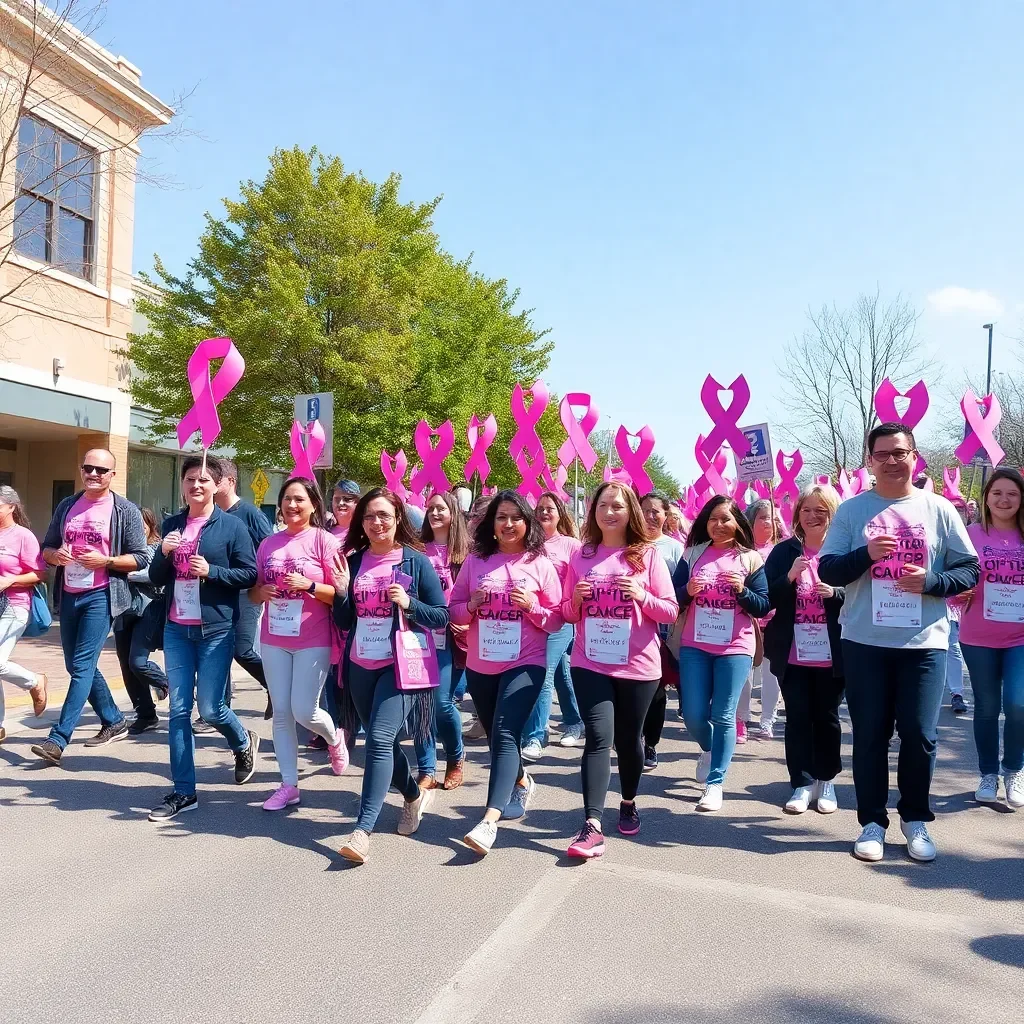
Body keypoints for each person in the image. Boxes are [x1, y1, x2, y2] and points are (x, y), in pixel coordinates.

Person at [819, 422, 979, 863]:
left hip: (924, 642)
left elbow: (968, 571)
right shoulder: (853, 512)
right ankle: (871, 822)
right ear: (869, 461)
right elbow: (828, 571)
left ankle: (915, 819)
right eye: (883, 454)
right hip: (865, 641)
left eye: (900, 452)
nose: (892, 461)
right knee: (870, 734)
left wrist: (930, 581)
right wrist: (864, 555)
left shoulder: (939, 509)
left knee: (920, 735)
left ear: (915, 456)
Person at [562, 482, 678, 858]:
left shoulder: (646, 556)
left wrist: (642, 595)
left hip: (638, 666)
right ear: (593, 511)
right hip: (589, 662)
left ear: (631, 512)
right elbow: (566, 612)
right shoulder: (582, 556)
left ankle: (628, 801)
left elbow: (671, 611)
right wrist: (575, 600)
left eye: (617, 505)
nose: (610, 512)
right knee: (598, 737)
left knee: (629, 742)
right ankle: (592, 824)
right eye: (603, 505)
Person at [333, 488, 448, 864]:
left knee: (379, 740)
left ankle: (362, 830)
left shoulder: (416, 562)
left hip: (400, 664)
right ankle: (413, 795)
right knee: (382, 743)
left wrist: (410, 604)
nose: (376, 522)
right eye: (369, 517)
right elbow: (346, 621)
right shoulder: (353, 562)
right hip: (360, 663)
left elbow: (441, 615)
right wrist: (339, 594)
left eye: (384, 515)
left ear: (398, 517)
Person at [146, 456, 260, 821]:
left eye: (204, 480)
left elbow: (249, 573)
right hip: (177, 628)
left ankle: (242, 741)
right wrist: (164, 554)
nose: (196, 485)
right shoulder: (173, 524)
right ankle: (184, 792)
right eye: (190, 479)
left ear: (217, 485)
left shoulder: (231, 526)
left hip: (215, 629)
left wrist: (213, 571)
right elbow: (156, 576)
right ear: (183, 484)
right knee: (179, 711)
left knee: (211, 709)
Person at [450, 490, 563, 855]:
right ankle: (521, 780)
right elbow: (454, 611)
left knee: (503, 732)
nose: (509, 523)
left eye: (516, 517)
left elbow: (557, 620)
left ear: (527, 522)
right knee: (503, 735)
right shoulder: (476, 561)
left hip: (525, 662)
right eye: (502, 517)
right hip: (482, 663)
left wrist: (532, 606)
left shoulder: (540, 564)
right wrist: (471, 605)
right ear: (492, 525)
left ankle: (488, 820)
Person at [31, 450, 147, 765]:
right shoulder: (67, 506)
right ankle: (113, 719)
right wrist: (58, 557)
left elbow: (140, 557)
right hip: (69, 595)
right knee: (76, 665)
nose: (93, 473)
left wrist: (105, 560)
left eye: (100, 469)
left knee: (82, 665)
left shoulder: (125, 511)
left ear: (112, 474)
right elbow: (47, 548)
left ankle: (58, 739)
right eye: (88, 468)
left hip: (102, 595)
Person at [251, 477, 348, 810]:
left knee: (304, 709)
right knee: (281, 713)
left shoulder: (324, 542)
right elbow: (255, 590)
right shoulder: (269, 544)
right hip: (274, 636)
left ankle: (334, 737)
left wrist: (308, 584)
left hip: (313, 636)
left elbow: (339, 595)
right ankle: (288, 785)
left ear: (313, 505)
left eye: (299, 500)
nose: (292, 506)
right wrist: (260, 593)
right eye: (287, 499)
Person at [673, 495, 770, 811]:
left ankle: (715, 784)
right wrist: (686, 592)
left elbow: (763, 604)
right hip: (695, 646)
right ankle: (709, 747)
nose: (718, 524)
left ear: (737, 523)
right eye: (713, 518)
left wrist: (743, 591)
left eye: (725, 519)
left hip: (735, 647)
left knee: (723, 715)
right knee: (693, 714)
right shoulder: (692, 555)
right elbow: (672, 600)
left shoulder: (750, 559)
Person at [764, 484, 846, 814]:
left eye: (820, 510)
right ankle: (801, 782)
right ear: (797, 513)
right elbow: (765, 596)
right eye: (806, 509)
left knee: (826, 718)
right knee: (797, 717)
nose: (812, 516)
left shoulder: (844, 550)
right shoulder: (785, 552)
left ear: (833, 513)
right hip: (793, 653)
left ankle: (826, 780)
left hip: (833, 652)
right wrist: (788, 578)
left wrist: (836, 593)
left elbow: (863, 593)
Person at [957, 468, 1024, 809]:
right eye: (997, 492)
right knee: (986, 707)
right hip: (978, 635)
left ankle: (1014, 769)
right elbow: (953, 583)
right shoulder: (969, 535)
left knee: (1018, 703)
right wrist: (958, 593)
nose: (1004, 499)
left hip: (1020, 638)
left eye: (1012, 493)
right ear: (986, 498)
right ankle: (987, 773)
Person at [521, 491, 584, 760]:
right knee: (560, 673)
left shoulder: (571, 545)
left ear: (560, 513)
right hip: (532, 617)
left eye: (550, 508)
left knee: (543, 674)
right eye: (540, 508)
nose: (545, 512)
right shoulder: (527, 544)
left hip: (560, 619)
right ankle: (574, 720)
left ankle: (536, 735)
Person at [209, 457, 273, 723]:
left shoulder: (250, 514)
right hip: (217, 591)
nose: (208, 484)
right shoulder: (210, 514)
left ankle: (275, 687)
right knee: (217, 649)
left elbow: (269, 550)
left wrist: (261, 587)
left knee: (242, 650)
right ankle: (218, 705)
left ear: (230, 481)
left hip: (246, 592)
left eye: (215, 479)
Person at [414, 491, 469, 790]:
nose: (435, 513)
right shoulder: (417, 550)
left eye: (441, 508)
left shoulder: (468, 553)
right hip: (418, 636)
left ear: (453, 513)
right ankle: (426, 768)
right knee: (421, 702)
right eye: (431, 508)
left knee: (441, 703)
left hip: (451, 637)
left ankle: (455, 757)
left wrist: (466, 622)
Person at [639, 492, 685, 771]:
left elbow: (680, 593)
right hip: (630, 627)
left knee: (656, 688)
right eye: (645, 510)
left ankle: (650, 744)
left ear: (666, 516)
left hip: (665, 629)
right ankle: (629, 737)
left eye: (656, 511)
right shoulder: (627, 544)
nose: (651, 516)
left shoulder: (674, 548)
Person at [0, 485, 48, 742]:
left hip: (14, 605)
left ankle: (34, 681)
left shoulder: (23, 536)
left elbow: (39, 574)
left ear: (11, 507)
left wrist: (8, 581)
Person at [115, 508, 169, 735]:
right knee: (126, 665)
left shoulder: (156, 547)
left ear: (150, 525)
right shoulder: (120, 550)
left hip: (148, 609)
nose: (138, 529)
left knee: (138, 662)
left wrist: (126, 570)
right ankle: (145, 713)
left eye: (142, 524)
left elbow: (154, 575)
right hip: (121, 610)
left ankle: (167, 683)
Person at [738, 499, 782, 742]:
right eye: (764, 517)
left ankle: (767, 720)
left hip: (775, 621)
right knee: (745, 673)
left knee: (771, 673)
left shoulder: (782, 550)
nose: (770, 522)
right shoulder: (741, 551)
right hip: (747, 621)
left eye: (774, 517)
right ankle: (741, 718)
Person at [330, 479, 361, 547]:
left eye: (347, 499)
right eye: (337, 499)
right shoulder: (323, 529)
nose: (341, 503)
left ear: (357, 502)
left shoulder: (364, 532)